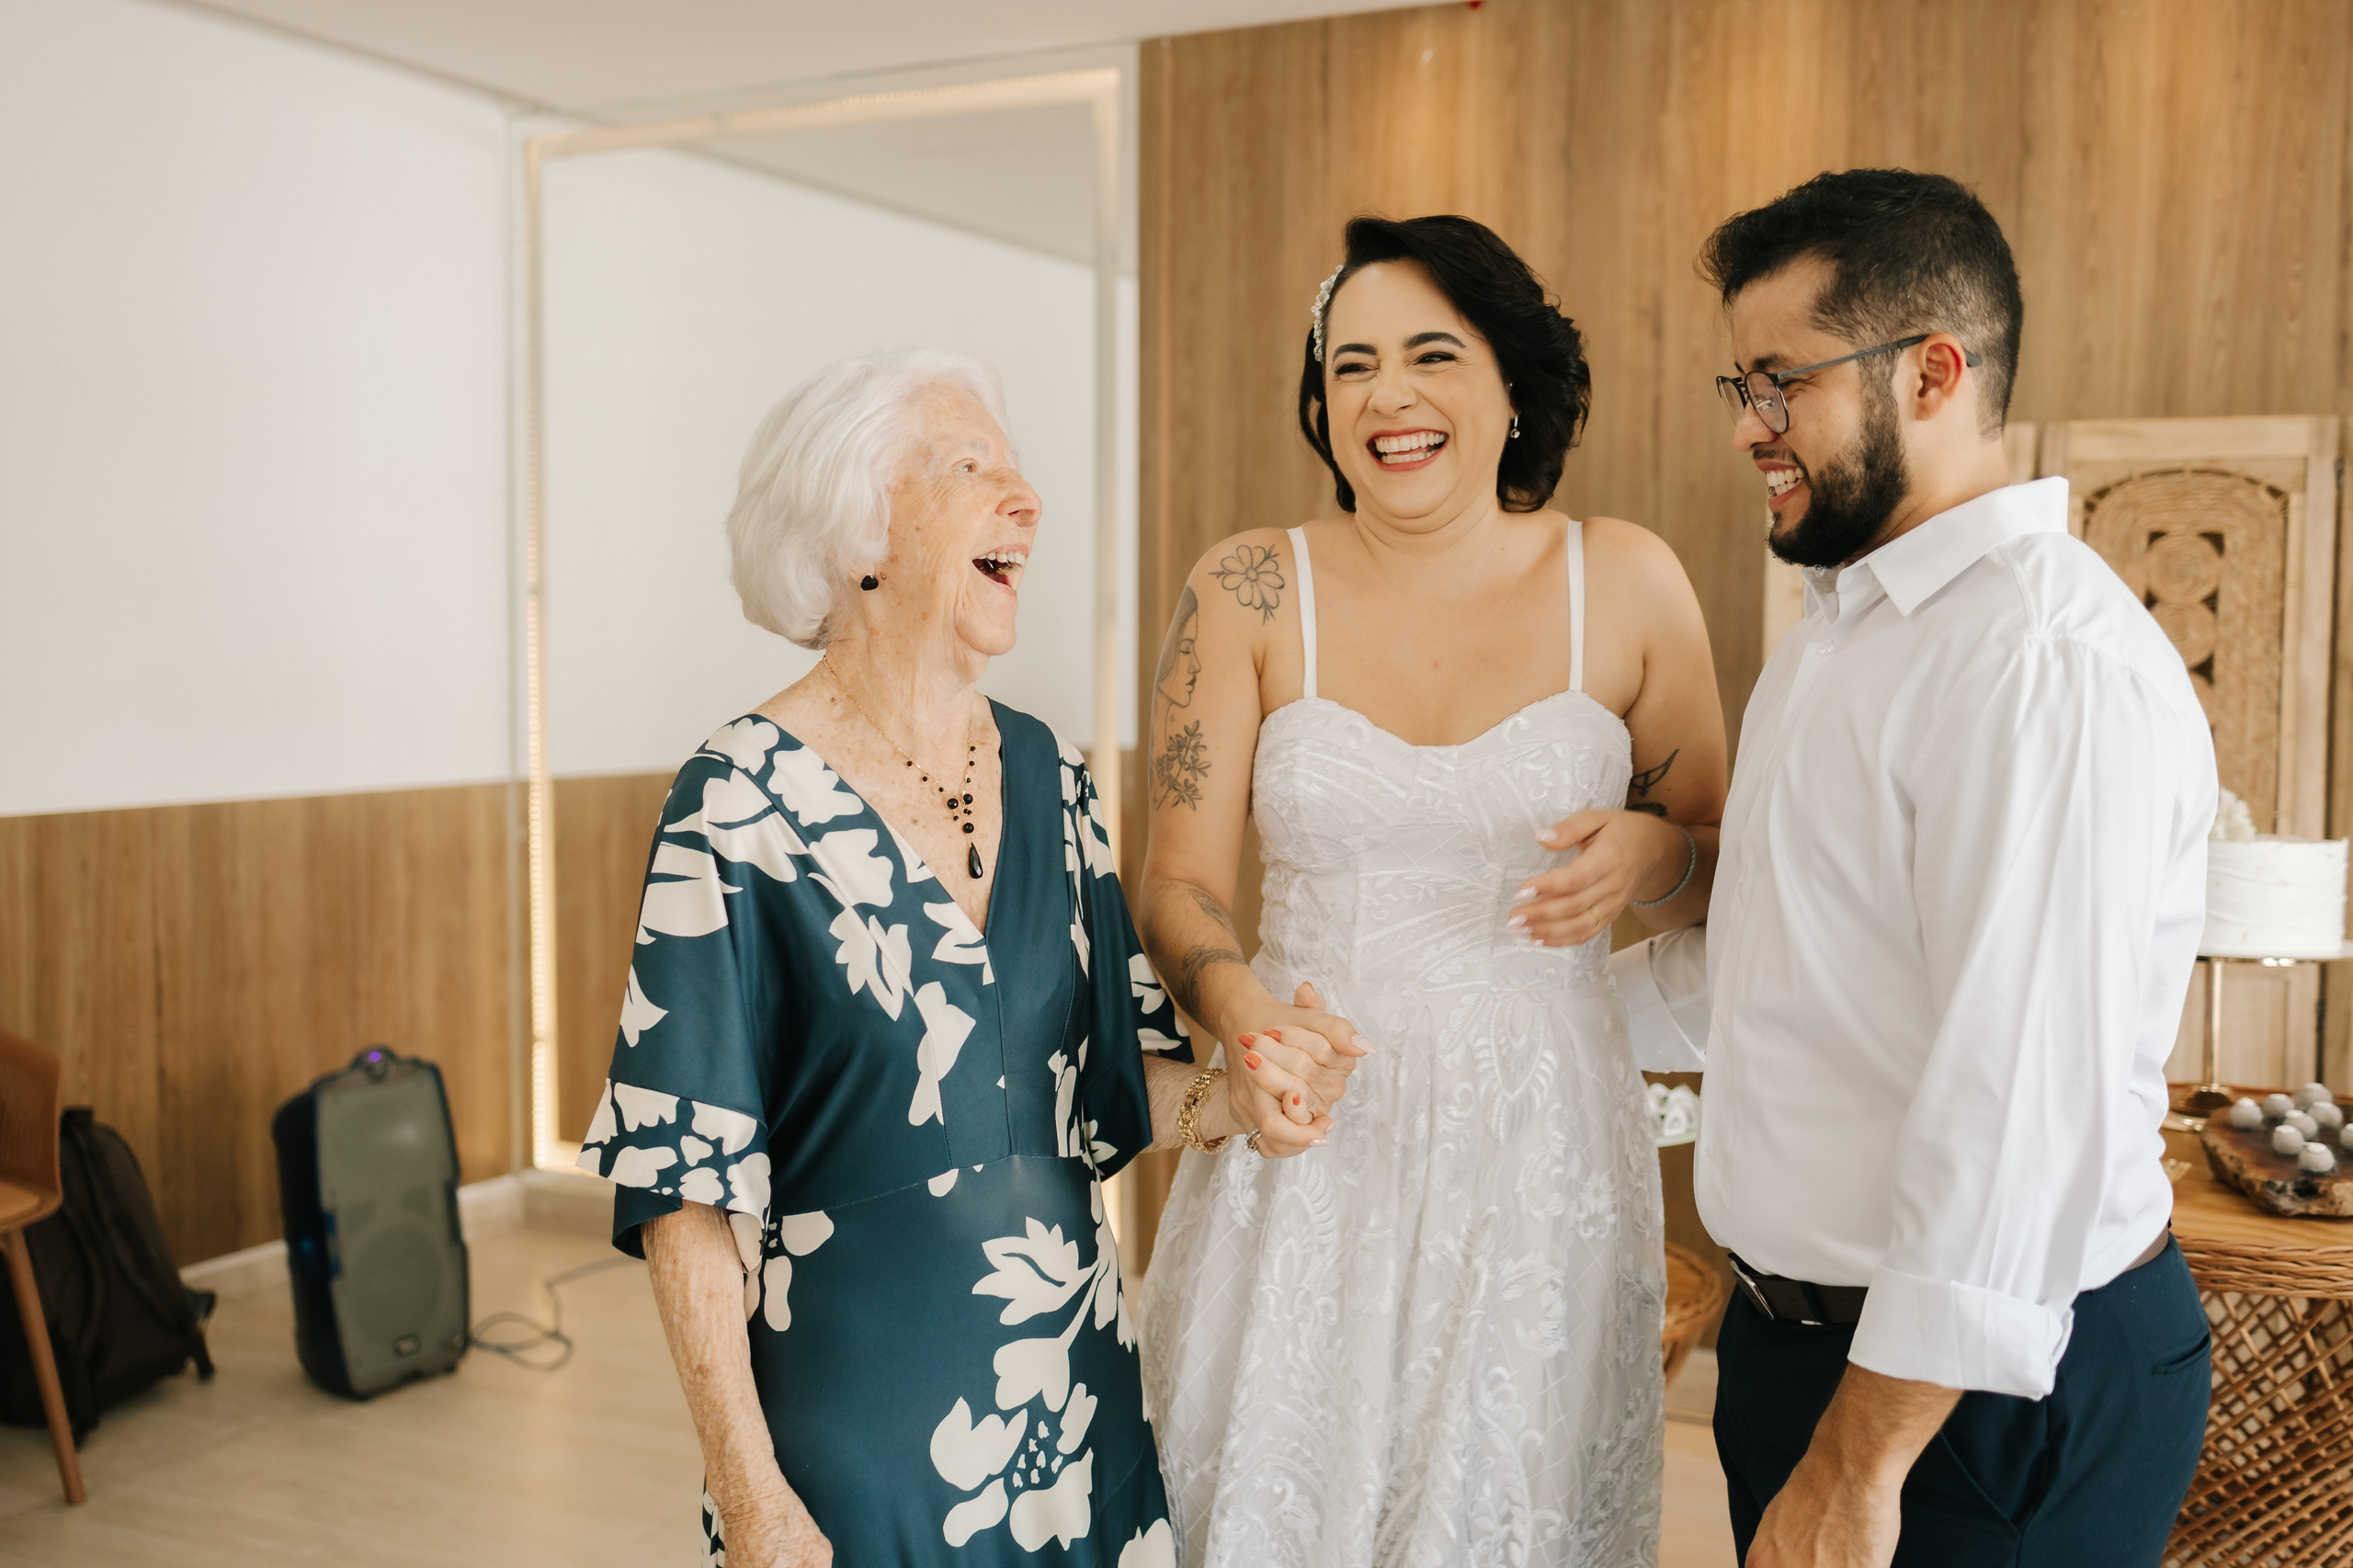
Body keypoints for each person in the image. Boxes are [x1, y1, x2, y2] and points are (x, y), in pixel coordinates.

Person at [576, 348, 1351, 1567]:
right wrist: (747, 1481)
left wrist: (1242, 1096)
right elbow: (686, 1184)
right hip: (856, 1443)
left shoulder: (1055, 777)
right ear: (855, 540)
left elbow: (1111, 1090)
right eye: (968, 466)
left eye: (1017, 466)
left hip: (1075, 1412)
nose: (1025, 498)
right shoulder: (733, 805)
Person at [1613, 170, 2216, 1566]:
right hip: (1802, 1351)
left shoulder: (2040, 663)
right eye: (1738, 385)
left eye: (1782, 382)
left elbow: (2021, 1101)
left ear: (1933, 371)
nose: (1751, 427)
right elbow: (1786, 973)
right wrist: (1500, 1017)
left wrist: (1859, 1456)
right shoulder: (1839, 631)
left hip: (1976, 1395)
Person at [1138, 214, 1728, 1566]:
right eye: (1350, 367)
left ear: (1512, 384)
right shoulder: (1243, 589)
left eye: (1428, 356)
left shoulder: (1627, 581)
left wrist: (1655, 854)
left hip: (1541, 1145)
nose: (1387, 398)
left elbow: (1716, 855)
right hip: (1308, 1125)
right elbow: (1175, 878)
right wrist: (1241, 1012)